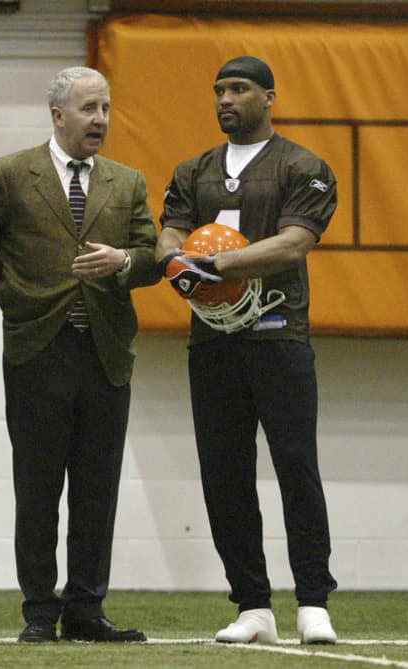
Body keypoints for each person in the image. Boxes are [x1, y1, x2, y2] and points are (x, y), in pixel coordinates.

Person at [155, 55, 339, 645]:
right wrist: (172, 261)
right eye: (218, 90)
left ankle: (313, 601)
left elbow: (294, 243)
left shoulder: (303, 165)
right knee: (225, 476)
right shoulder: (193, 170)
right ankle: (253, 606)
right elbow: (170, 231)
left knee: (296, 468)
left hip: (279, 335)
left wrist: (219, 264)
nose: (225, 99)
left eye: (239, 89)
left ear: (270, 97)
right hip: (213, 342)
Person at [0, 66, 159, 643]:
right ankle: (39, 611)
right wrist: (4, 310)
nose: (100, 120)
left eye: (105, 108)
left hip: (105, 354)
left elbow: (152, 255)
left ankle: (86, 609)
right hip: (37, 350)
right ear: (58, 114)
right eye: (88, 109)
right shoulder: (8, 175)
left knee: (96, 491)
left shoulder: (127, 181)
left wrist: (124, 263)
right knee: (36, 489)